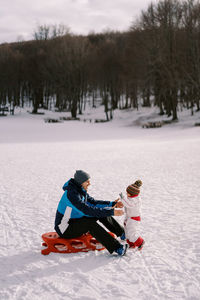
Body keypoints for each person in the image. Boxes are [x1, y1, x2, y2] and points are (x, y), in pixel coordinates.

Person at [54, 170, 128, 256]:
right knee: (89, 223)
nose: (89, 183)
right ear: (81, 182)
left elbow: (93, 203)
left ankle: (122, 234)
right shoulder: (72, 195)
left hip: (75, 221)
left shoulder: (79, 190)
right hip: (64, 229)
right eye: (87, 181)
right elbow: (87, 210)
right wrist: (111, 212)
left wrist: (113, 204)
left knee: (101, 214)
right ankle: (117, 248)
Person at [119, 180, 145, 250]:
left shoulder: (135, 199)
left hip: (134, 218)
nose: (126, 194)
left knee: (131, 232)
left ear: (132, 193)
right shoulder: (131, 198)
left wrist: (122, 198)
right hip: (130, 217)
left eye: (127, 193)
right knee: (127, 232)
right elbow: (127, 204)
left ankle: (140, 242)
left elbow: (129, 204)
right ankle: (131, 244)